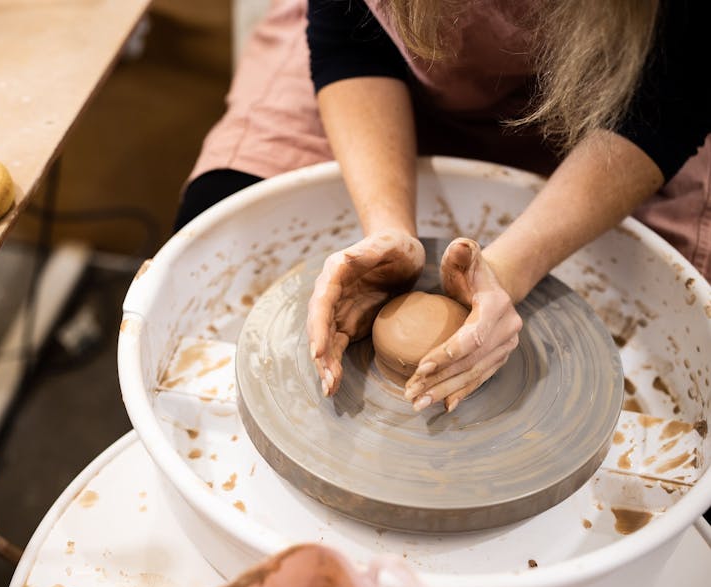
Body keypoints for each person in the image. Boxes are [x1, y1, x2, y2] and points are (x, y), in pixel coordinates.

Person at [176, 0, 711, 413]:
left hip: (611, 105)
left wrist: (507, 269)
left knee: (690, 367)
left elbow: (666, 106)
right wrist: (386, 229)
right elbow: (350, 39)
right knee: (217, 206)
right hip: (382, 56)